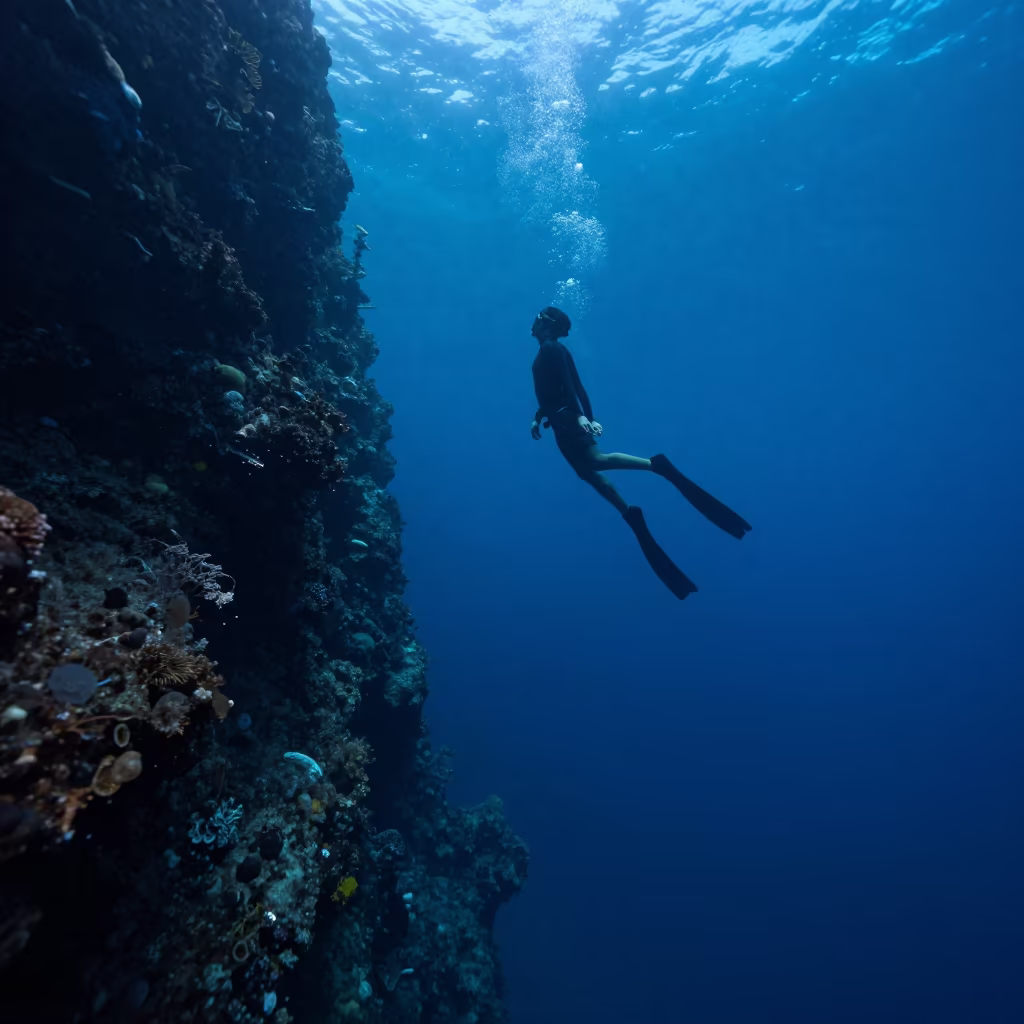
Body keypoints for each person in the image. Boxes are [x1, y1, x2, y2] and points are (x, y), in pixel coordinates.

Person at [529, 305, 751, 599]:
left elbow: (572, 387)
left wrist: (583, 417)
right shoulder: (548, 351)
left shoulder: (552, 349)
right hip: (559, 423)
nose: (533, 322)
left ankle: (655, 465)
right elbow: (557, 390)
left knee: (595, 462)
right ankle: (629, 512)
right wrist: (540, 417)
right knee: (588, 474)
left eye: (539, 319)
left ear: (548, 325)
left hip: (568, 419)